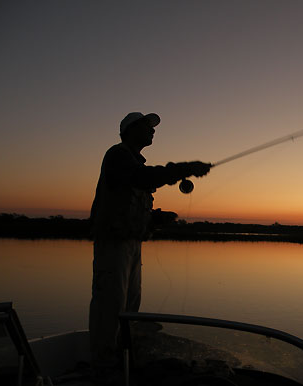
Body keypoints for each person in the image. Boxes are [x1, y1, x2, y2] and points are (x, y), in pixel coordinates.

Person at [89, 112, 210, 379]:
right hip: (114, 245)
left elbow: (131, 200)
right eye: (147, 127)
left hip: (132, 245)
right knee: (110, 305)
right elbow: (141, 178)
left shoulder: (133, 162)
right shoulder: (118, 155)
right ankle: (102, 368)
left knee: (129, 306)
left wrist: (155, 217)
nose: (153, 131)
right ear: (131, 130)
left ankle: (120, 361)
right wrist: (184, 168)